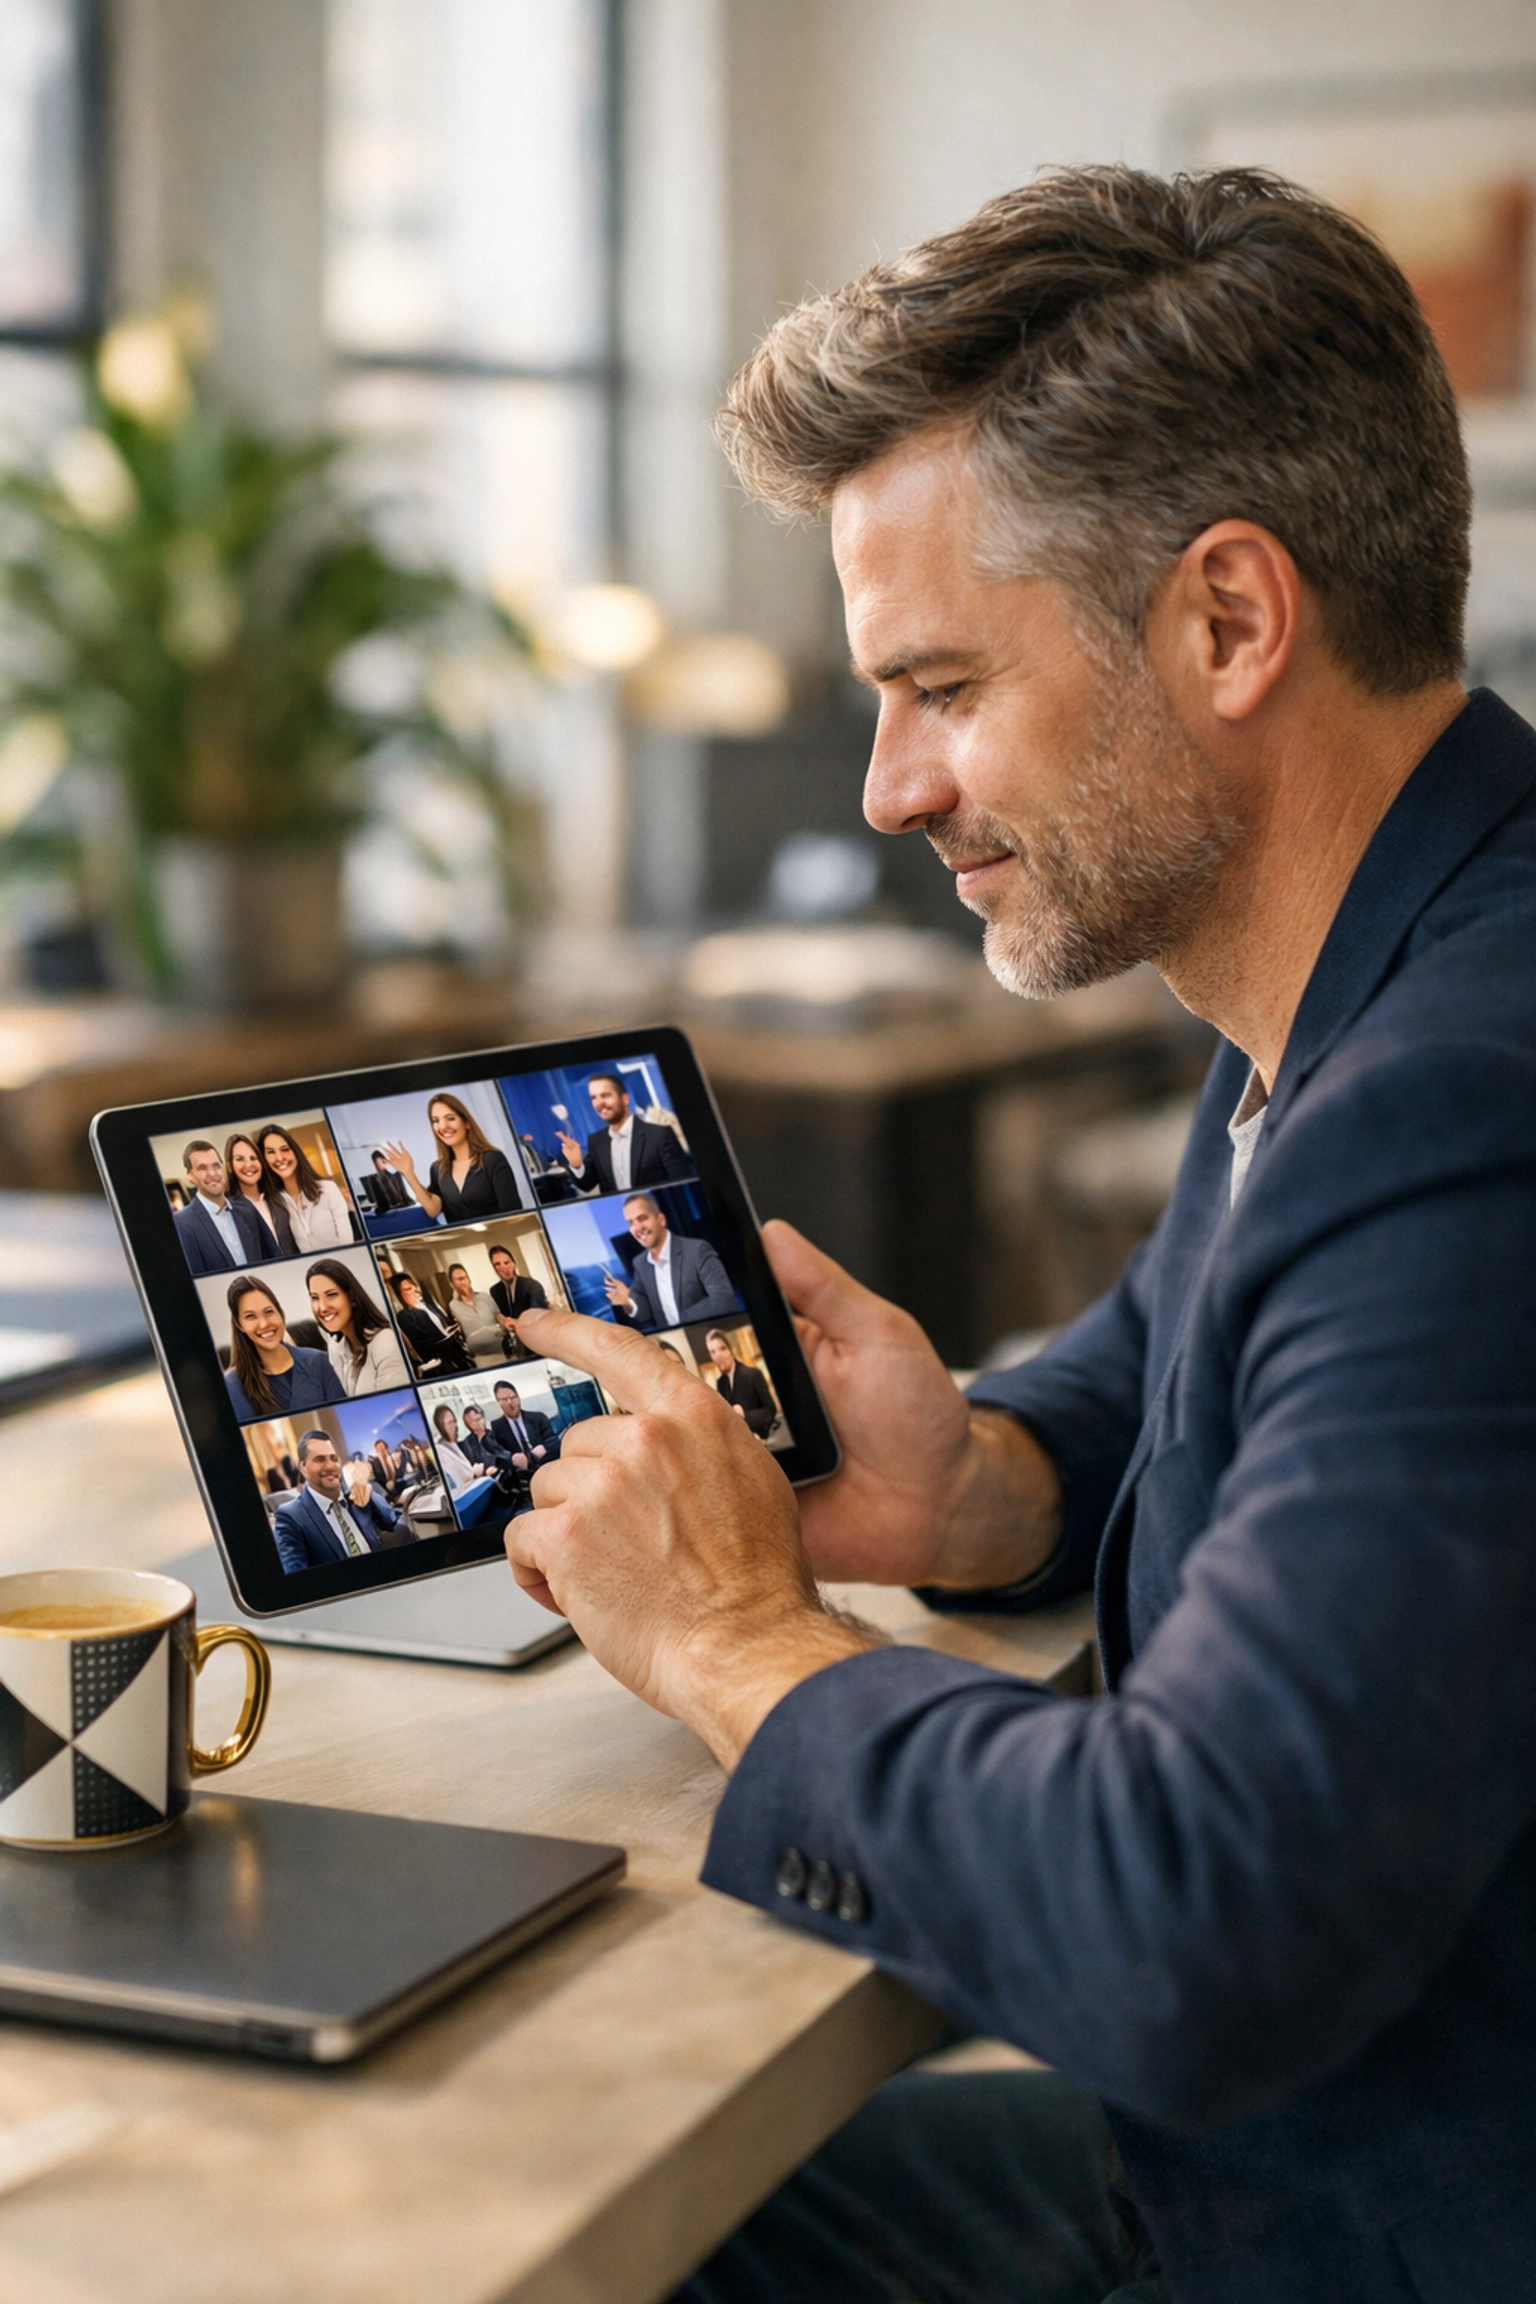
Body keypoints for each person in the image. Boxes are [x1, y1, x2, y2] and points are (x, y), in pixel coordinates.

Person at [494, 168, 1536, 2304]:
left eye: (943, 684)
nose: (887, 788)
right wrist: (982, 1482)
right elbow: (1185, 1337)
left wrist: (736, 1643)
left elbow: (1195, 1934)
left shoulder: (1465, 1104)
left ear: (1232, 621)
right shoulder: (1386, 966)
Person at [604, 1197, 739, 1333]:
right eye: (631, 1223)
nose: (637, 1228)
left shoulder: (698, 1250)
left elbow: (724, 1301)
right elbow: (646, 1312)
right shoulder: (640, 1263)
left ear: (661, 1220)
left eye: (642, 1218)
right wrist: (627, 1300)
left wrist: (680, 1321)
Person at [272, 1429, 400, 1572]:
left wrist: (368, 1488)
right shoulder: (290, 1516)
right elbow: (296, 1579)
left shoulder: (353, 1495)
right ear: (303, 1467)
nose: (330, 1466)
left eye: (334, 1458)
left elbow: (392, 1520)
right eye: (320, 1459)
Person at [222, 1276, 347, 1423]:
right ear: (239, 1324)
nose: (263, 1324)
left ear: (280, 1312)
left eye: (269, 1311)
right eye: (250, 1316)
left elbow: (345, 1418)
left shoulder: (320, 1363)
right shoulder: (232, 1388)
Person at [381, 1095, 522, 1223]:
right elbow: (433, 1210)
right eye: (435, 1121)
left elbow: (513, 1214)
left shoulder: (492, 1159)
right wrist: (409, 1173)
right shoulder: (438, 1169)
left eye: (450, 1118)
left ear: (466, 1123)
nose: (442, 1126)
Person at [557, 1072, 693, 1195]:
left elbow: (683, 1184)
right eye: (594, 1098)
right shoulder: (596, 1141)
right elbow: (586, 1185)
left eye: (605, 1095)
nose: (599, 1103)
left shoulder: (659, 1134)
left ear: (625, 1099)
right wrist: (576, 1164)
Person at [305, 1259, 409, 1398]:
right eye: (315, 1297)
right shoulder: (337, 1348)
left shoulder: (384, 1341)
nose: (322, 1307)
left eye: (331, 1295)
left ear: (352, 1297)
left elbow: (394, 1402)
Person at [174, 1141, 277, 1275]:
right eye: (202, 1168)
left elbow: (275, 1256)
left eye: (216, 1165)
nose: (212, 1174)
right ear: (190, 1176)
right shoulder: (182, 1223)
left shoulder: (247, 1210)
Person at [256, 1123, 355, 1252]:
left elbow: (347, 1242)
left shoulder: (328, 1189)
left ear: (295, 1152)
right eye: (270, 1152)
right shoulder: (273, 1203)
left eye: (285, 1149)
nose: (279, 1158)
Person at [224, 1132, 296, 1258]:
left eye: (253, 1158)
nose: (249, 1165)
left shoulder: (279, 1199)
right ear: (230, 1166)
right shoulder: (229, 1211)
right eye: (240, 1159)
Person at [390, 1272, 475, 1377]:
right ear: (399, 1295)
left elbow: (438, 1331)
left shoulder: (427, 1306)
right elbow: (423, 1345)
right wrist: (446, 1338)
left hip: (456, 1354)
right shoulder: (405, 1317)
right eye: (408, 1289)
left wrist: (449, 1331)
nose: (416, 1290)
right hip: (441, 1365)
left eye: (414, 1285)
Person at [704, 1330, 776, 1438]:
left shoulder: (753, 1374)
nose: (718, 1356)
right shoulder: (720, 1383)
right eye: (712, 1352)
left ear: (730, 1350)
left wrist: (743, 1415)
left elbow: (770, 1410)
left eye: (722, 1348)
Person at [487, 1380, 560, 1475]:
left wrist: (544, 1448)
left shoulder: (538, 1418)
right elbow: (499, 1459)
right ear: (498, 1402)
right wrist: (512, 1459)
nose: (510, 1402)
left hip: (547, 1468)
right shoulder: (497, 1427)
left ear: (518, 1397)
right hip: (521, 1476)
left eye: (512, 1397)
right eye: (504, 1399)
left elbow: (554, 1443)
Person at [489, 1241, 548, 1352]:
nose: (503, 1267)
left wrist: (516, 1323)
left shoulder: (531, 1285)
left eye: (506, 1262)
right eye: (497, 1264)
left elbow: (541, 1320)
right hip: (514, 1348)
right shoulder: (495, 1291)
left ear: (513, 1263)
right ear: (494, 1268)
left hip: (536, 1344)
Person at [444, 1261, 504, 1357]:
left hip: (500, 1349)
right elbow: (456, 1332)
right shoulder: (453, 1306)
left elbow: (500, 1318)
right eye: (459, 1279)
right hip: (479, 1356)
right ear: (452, 1284)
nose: (464, 1281)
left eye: (465, 1277)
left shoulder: (485, 1297)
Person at [429, 1403, 480, 1496]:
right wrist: (474, 1473)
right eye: (449, 1423)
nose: (455, 1426)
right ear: (441, 1427)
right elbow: (458, 1485)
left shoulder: (457, 1444)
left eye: (454, 1421)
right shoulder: (441, 1450)